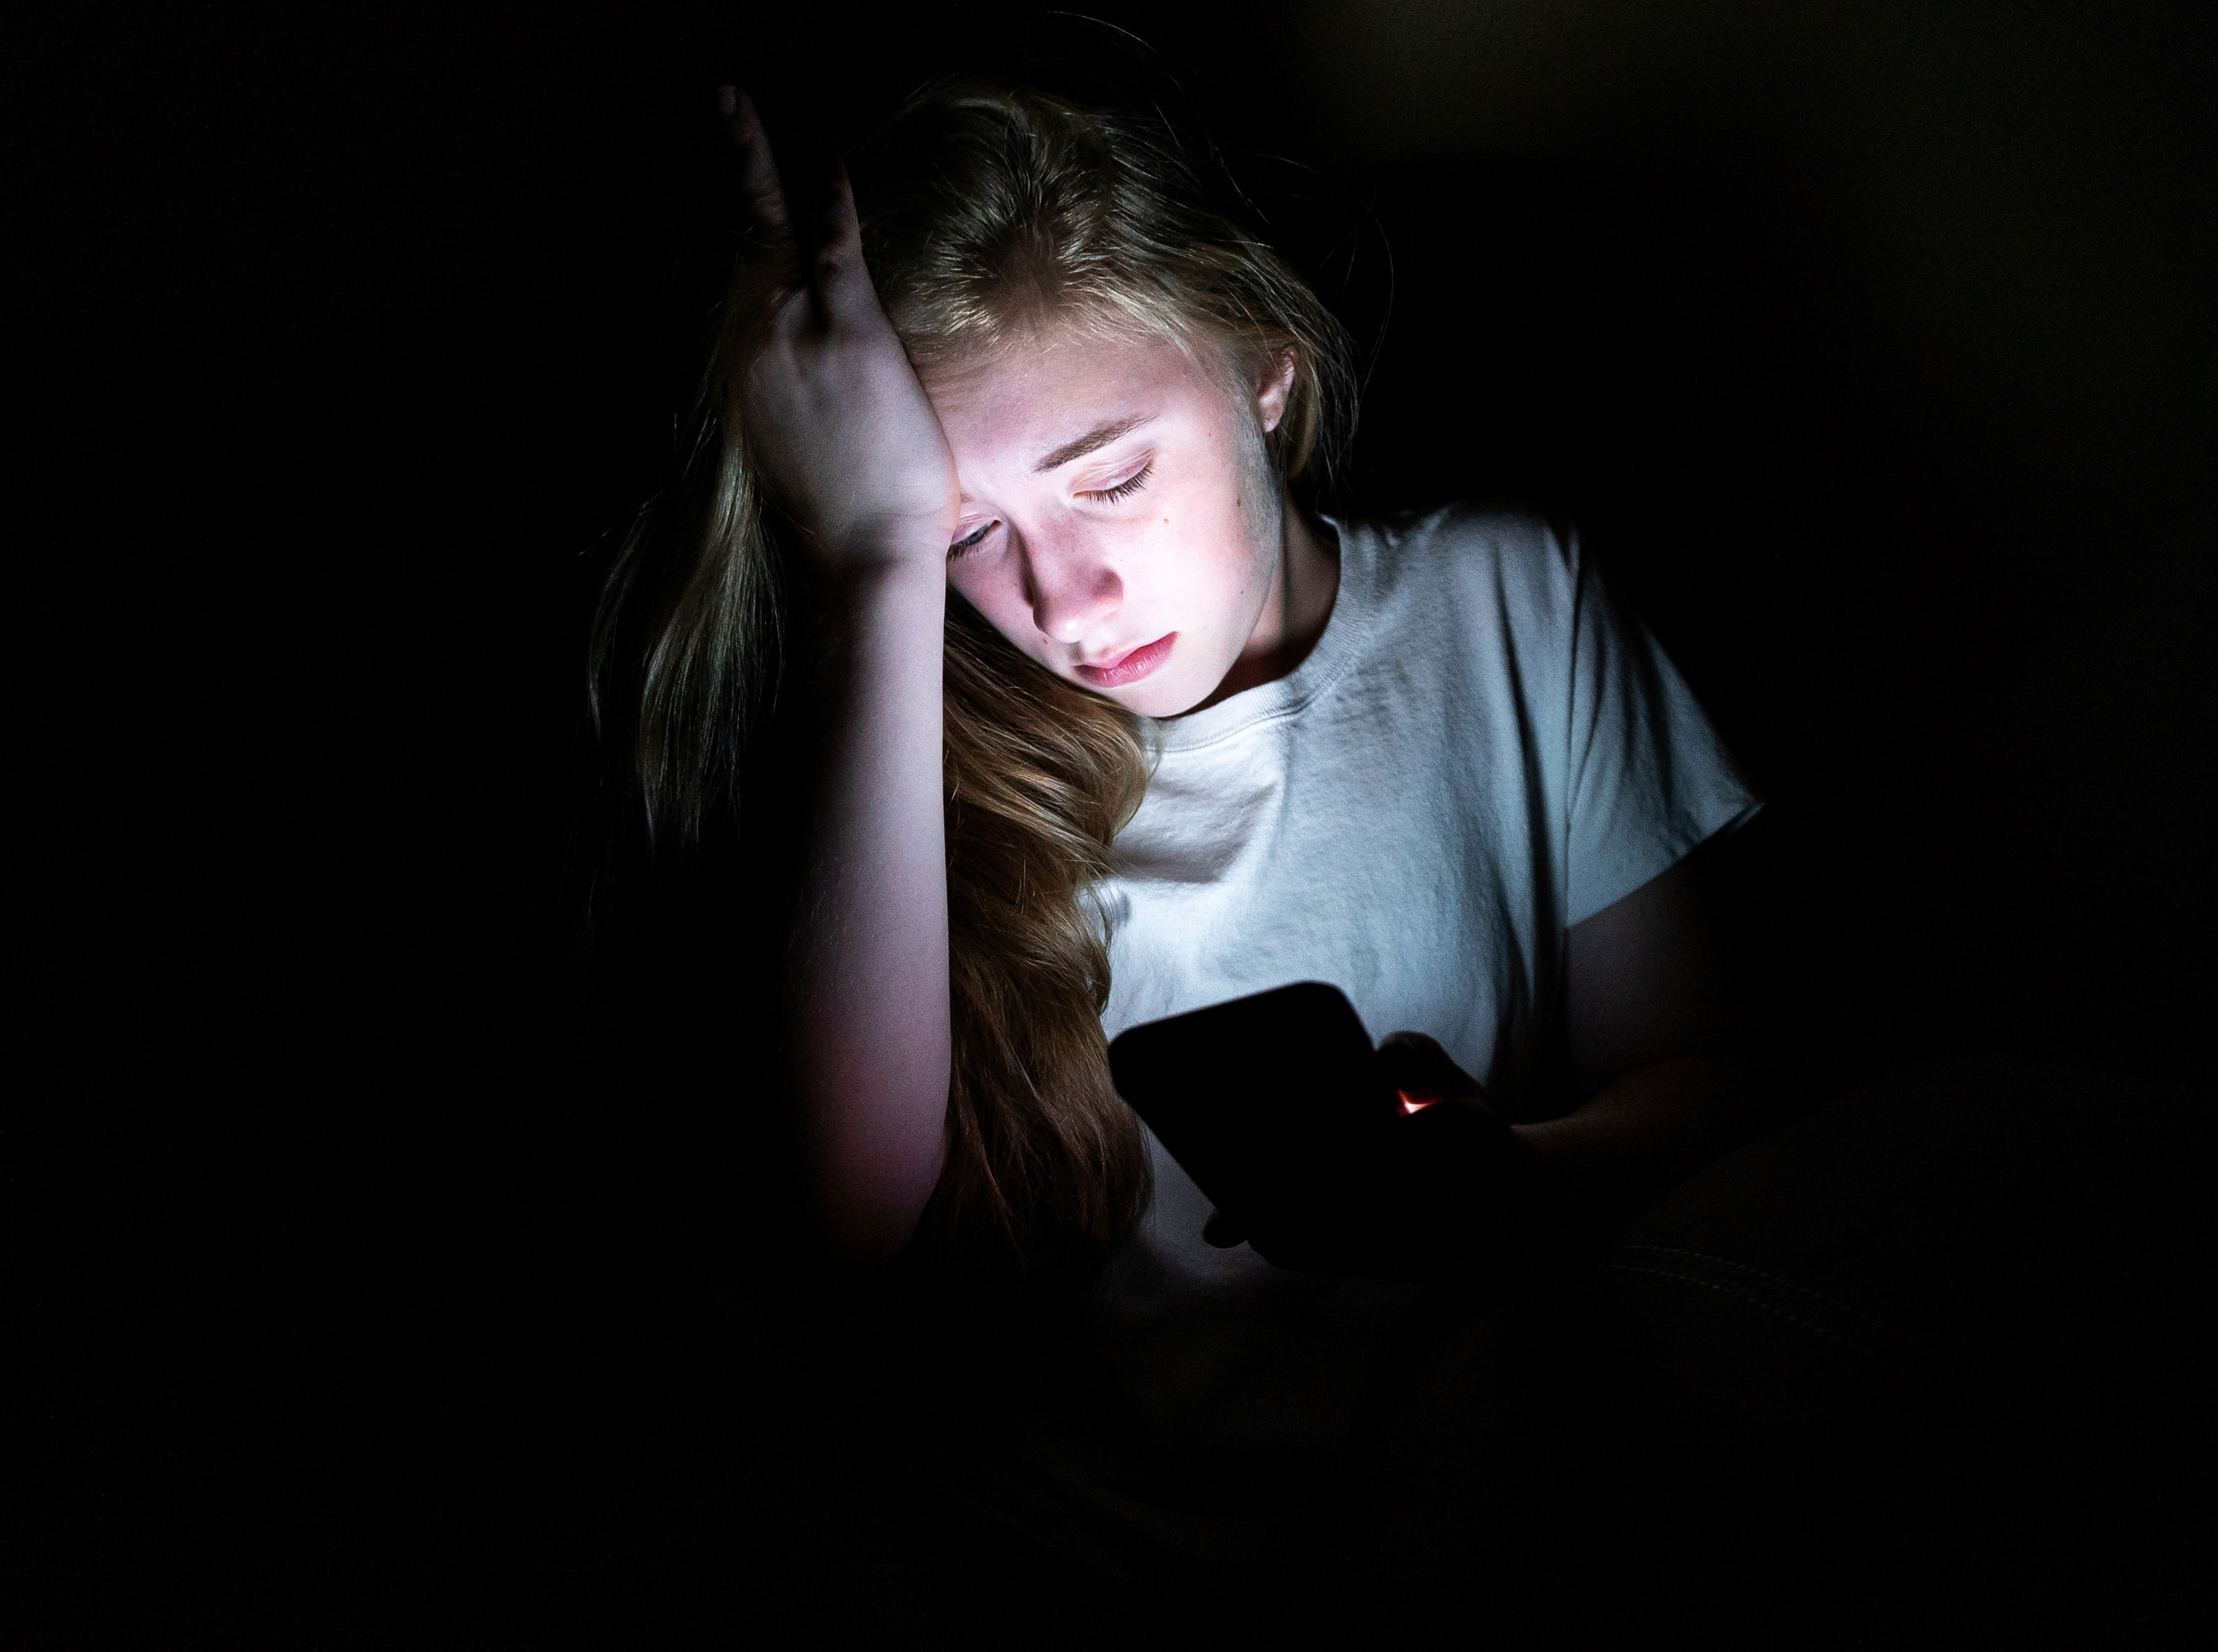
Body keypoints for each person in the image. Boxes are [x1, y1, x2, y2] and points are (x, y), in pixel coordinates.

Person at [590, 79, 1764, 1597]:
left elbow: (1701, 1072)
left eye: (1113, 476)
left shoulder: (1507, 601)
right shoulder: (914, 743)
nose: (1064, 602)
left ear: (1262, 373)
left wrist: (1503, 1189)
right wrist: (874, 559)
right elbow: (848, 1201)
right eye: (968, 532)